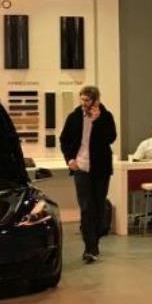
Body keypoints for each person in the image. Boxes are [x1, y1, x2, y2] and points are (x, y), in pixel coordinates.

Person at [59, 85, 117, 263]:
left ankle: (94, 242)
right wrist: (69, 159)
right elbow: (64, 139)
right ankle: (89, 248)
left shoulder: (106, 116)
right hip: (81, 167)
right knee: (86, 207)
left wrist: (97, 121)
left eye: (87, 100)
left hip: (101, 169)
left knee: (99, 207)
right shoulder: (74, 116)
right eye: (82, 99)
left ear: (95, 101)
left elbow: (111, 138)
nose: (83, 103)